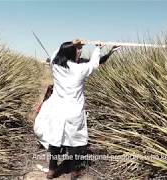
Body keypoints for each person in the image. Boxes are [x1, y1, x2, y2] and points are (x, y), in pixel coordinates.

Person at [33, 39, 120, 179]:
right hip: (73, 111)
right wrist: (98, 48)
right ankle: (74, 172)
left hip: (58, 111)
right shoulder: (79, 69)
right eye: (78, 49)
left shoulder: (55, 64)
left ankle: (51, 170)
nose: (80, 51)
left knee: (55, 140)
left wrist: (74, 42)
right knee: (75, 143)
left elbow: (57, 52)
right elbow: (94, 64)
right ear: (70, 52)